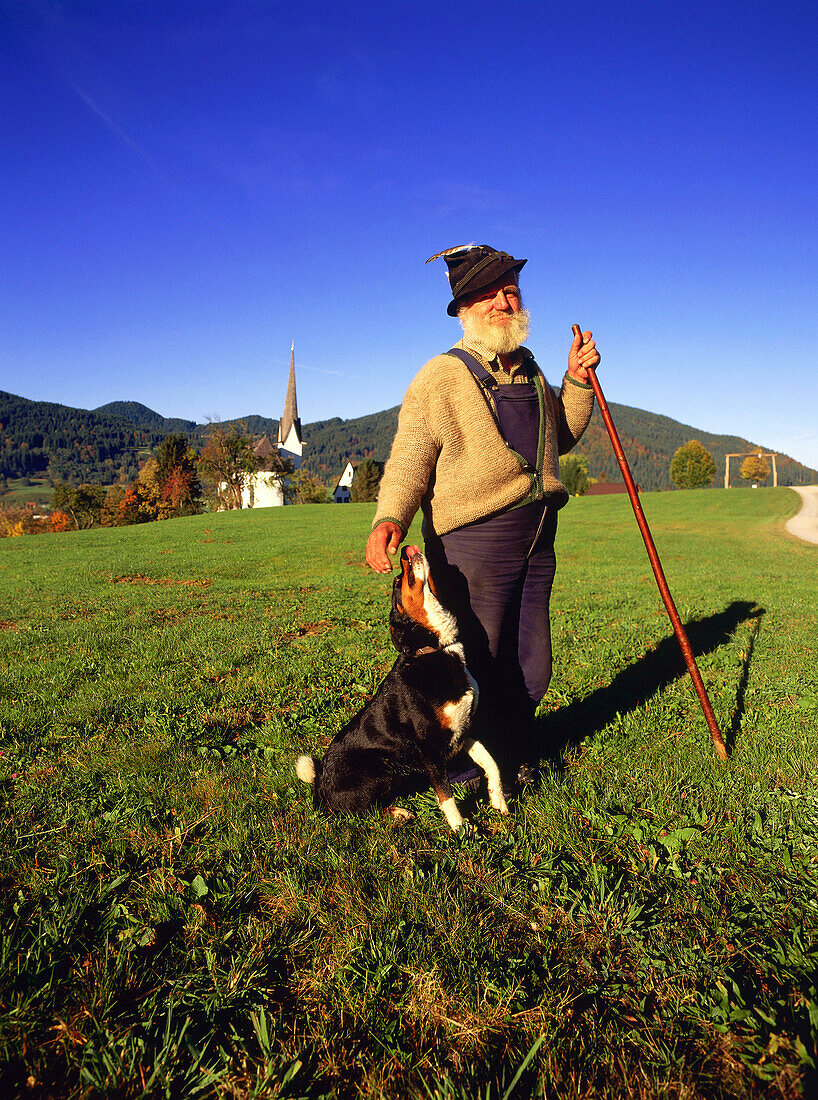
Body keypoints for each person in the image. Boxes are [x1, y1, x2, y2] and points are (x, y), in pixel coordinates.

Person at [365, 245, 600, 791]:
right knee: (481, 668)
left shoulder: (532, 366)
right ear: (465, 306)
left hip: (537, 536)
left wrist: (578, 381)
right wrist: (390, 516)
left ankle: (510, 748)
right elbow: (412, 454)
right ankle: (466, 771)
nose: (503, 300)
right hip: (475, 542)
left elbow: (558, 437)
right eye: (489, 292)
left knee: (533, 665)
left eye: (510, 289)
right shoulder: (441, 376)